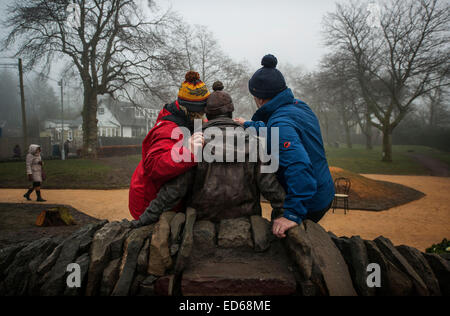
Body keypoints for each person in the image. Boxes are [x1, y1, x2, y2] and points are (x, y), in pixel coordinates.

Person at [132, 81, 286, 227]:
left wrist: (144, 220)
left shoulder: (195, 143)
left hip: (202, 223)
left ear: (207, 113)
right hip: (246, 221)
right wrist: (283, 215)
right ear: (231, 112)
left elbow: (174, 191)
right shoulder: (252, 142)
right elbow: (270, 186)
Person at [234, 54, 335, 239]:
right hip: (323, 188)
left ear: (260, 99)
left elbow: (299, 166)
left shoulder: (280, 123)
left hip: (309, 199)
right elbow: (279, 130)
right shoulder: (298, 106)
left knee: (279, 236)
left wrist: (292, 214)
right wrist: (249, 124)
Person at [129, 71, 210, 220]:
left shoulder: (190, 120)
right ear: (192, 111)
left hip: (167, 200)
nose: (205, 115)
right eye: (203, 111)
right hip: (148, 203)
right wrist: (188, 152)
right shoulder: (168, 128)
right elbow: (153, 164)